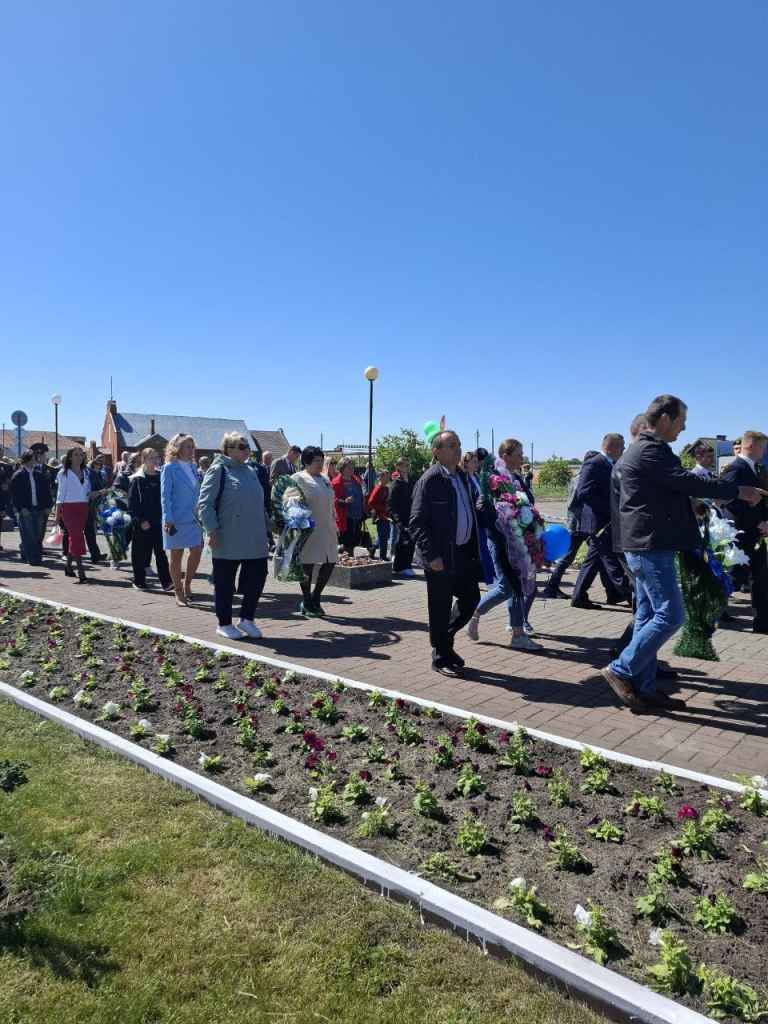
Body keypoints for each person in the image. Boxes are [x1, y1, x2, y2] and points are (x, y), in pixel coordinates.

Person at [602, 395, 763, 712]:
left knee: (648, 616)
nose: (684, 427)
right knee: (671, 615)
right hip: (649, 546)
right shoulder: (649, 450)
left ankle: (645, 688)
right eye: (680, 420)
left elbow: (669, 491)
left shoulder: (651, 450)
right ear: (663, 418)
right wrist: (738, 491)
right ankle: (620, 669)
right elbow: (685, 481)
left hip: (651, 544)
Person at [410, 430, 482, 678]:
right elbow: (416, 522)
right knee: (440, 607)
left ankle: (444, 639)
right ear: (436, 451)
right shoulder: (429, 480)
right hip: (440, 556)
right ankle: (441, 656)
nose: (458, 449)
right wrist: (431, 556)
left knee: (471, 599)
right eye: (451, 445)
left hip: (462, 553)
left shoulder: (461, 476)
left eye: (459, 445)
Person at [466, 439, 543, 649]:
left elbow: (526, 503)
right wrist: (502, 520)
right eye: (519, 454)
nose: (522, 457)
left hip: (518, 540)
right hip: (500, 540)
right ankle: (474, 614)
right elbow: (481, 506)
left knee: (515, 584)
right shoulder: (493, 478)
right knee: (505, 586)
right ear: (506, 456)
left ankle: (517, 634)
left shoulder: (516, 478)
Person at [198, 432, 269, 640]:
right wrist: (211, 530)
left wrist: (270, 525)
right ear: (228, 449)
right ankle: (224, 623)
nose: (247, 450)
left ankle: (247, 619)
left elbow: (258, 502)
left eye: (247, 446)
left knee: (258, 576)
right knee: (225, 582)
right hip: (227, 536)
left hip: (254, 537)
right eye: (241, 446)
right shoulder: (219, 469)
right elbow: (205, 504)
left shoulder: (250, 470)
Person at [570, 434, 631, 609]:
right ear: (611, 446)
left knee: (593, 561)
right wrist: (611, 509)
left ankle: (578, 597)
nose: (624, 449)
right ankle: (633, 598)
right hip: (599, 523)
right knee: (612, 562)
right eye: (622, 446)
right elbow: (584, 493)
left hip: (606, 523)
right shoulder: (595, 463)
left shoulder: (611, 464)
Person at [720, 430, 768, 633]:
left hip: (754, 533)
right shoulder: (736, 468)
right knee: (734, 578)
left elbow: (760, 499)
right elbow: (726, 500)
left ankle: (762, 622)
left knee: (761, 579)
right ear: (753, 446)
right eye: (763, 447)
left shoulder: (752, 468)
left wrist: (765, 520)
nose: (764, 451)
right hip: (740, 535)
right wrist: (751, 509)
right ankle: (706, 613)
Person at [283, 445, 339, 617]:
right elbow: (287, 501)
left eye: (322, 461)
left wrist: (335, 523)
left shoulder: (325, 479)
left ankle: (316, 596)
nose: (320, 464)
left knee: (330, 562)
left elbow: (331, 502)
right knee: (307, 565)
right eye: (316, 461)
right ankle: (307, 600)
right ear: (306, 462)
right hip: (309, 529)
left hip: (327, 528)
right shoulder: (298, 478)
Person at [161, 433, 204, 606]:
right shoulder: (169, 467)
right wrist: (167, 518)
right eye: (187, 446)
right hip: (176, 519)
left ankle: (187, 584)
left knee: (197, 550)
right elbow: (165, 496)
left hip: (194, 518)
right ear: (177, 448)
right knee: (176, 556)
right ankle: (178, 591)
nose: (191, 449)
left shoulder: (194, 467)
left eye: (192, 446)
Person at [128, 448, 173, 592]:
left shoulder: (162, 476)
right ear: (144, 460)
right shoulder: (137, 479)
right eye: (151, 458)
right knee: (140, 553)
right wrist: (141, 520)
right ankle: (139, 580)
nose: (155, 461)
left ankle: (167, 582)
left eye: (156, 458)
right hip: (143, 523)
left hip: (159, 521)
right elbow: (132, 504)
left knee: (161, 552)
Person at [55, 446, 92, 583]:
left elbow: (87, 492)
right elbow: (60, 494)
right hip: (68, 508)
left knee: (75, 537)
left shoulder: (86, 472)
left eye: (81, 455)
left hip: (83, 507)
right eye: (76, 455)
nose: (79, 457)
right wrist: (57, 514)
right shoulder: (63, 473)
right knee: (77, 537)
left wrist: (99, 493)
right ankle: (81, 572)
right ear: (70, 457)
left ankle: (68, 566)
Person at [10, 451, 53, 566]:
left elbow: (46, 492)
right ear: (28, 460)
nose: (36, 460)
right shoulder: (18, 475)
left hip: (39, 509)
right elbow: (15, 495)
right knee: (29, 535)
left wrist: (48, 506)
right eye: (34, 458)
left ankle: (26, 550)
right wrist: (21, 508)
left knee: (39, 534)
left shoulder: (39, 475)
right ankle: (34, 559)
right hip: (25, 509)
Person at [333, 458, 366, 556]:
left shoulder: (356, 480)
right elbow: (332, 499)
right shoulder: (336, 482)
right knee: (346, 543)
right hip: (345, 518)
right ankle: (343, 564)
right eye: (349, 467)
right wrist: (344, 501)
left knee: (354, 542)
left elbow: (361, 496)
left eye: (352, 467)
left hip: (357, 516)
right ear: (342, 468)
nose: (352, 469)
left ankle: (349, 561)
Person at [388, 456, 415, 576]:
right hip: (401, 519)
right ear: (398, 467)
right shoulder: (395, 484)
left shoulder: (411, 482)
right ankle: (399, 566)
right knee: (402, 542)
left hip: (412, 517)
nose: (407, 467)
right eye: (404, 465)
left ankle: (407, 565)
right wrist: (397, 520)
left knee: (411, 542)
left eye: (408, 464)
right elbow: (391, 505)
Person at [366, 470, 391, 560]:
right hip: (379, 516)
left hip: (385, 515)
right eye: (387, 477)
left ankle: (372, 549)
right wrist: (383, 508)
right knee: (383, 536)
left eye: (389, 477)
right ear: (381, 477)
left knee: (385, 536)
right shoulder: (378, 488)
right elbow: (371, 502)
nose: (388, 479)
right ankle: (382, 556)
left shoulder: (386, 488)